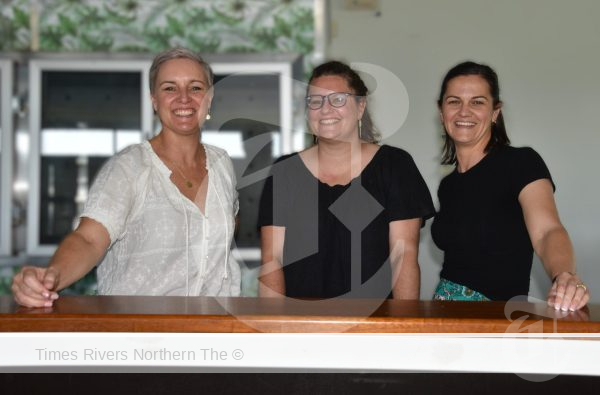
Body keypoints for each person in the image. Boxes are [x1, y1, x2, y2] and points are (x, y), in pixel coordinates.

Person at [12, 47, 240, 307]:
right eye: (169, 88)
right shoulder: (129, 167)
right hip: (138, 332)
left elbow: (224, 225)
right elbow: (89, 238)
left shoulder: (223, 164)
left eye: (196, 88)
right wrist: (51, 276)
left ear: (209, 98)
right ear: (154, 100)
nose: (184, 98)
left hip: (214, 329)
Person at [258, 61, 435, 299]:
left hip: (376, 326)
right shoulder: (285, 172)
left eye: (338, 99)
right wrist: (276, 330)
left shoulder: (394, 166)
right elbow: (272, 261)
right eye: (315, 101)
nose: (325, 109)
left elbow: (403, 258)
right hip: (301, 324)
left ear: (360, 106)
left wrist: (403, 330)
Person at [431, 61, 590, 311]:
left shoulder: (521, 163)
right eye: (454, 101)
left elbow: (547, 231)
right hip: (445, 315)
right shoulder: (448, 185)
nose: (464, 111)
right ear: (442, 112)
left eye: (477, 102)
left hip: (498, 322)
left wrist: (564, 276)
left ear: (495, 112)